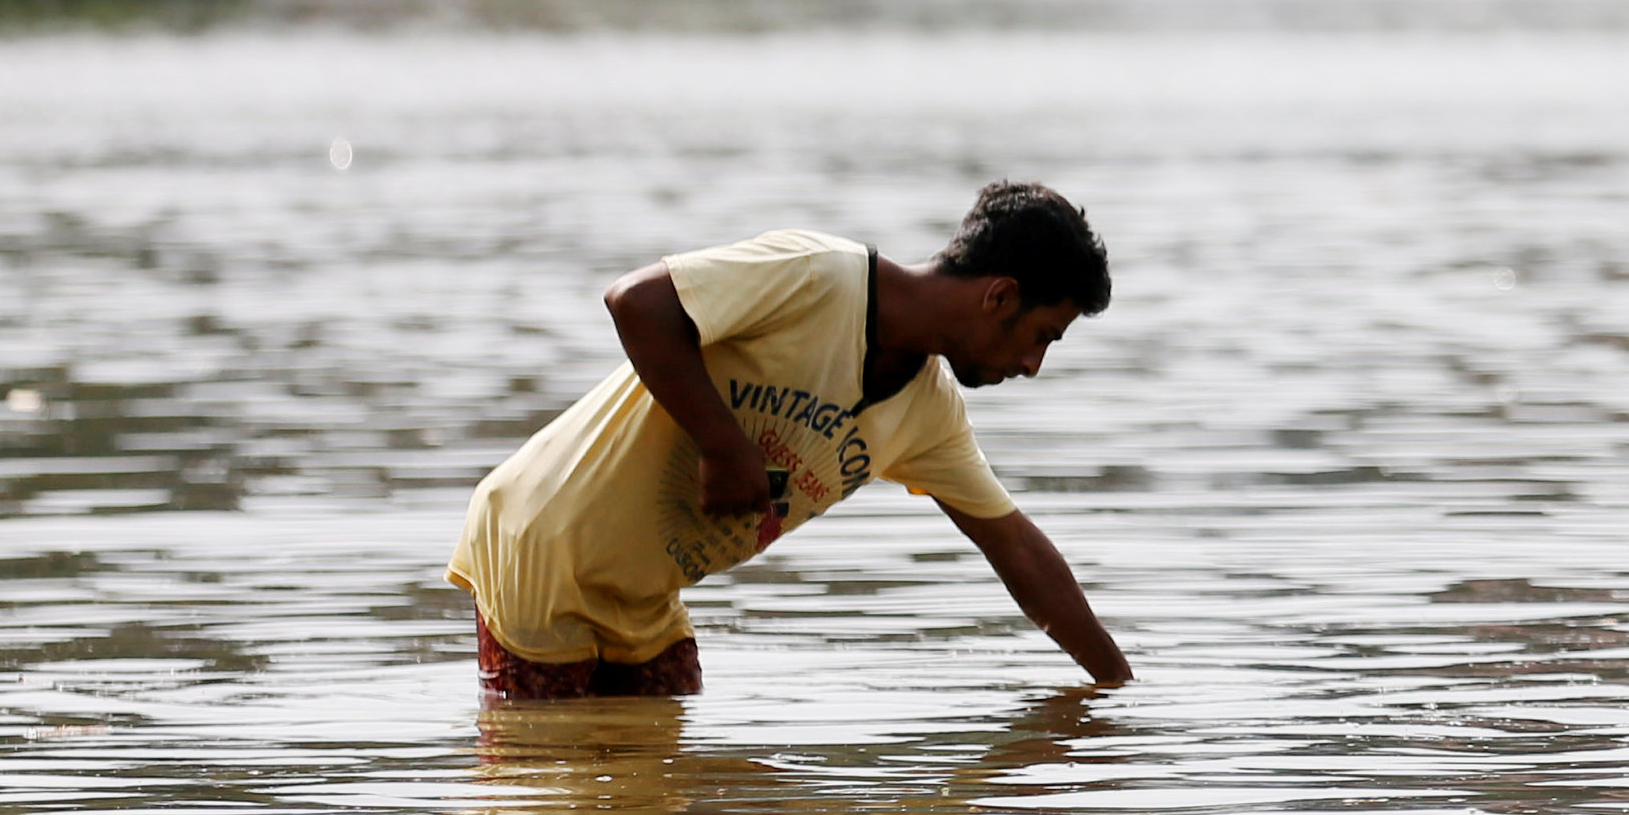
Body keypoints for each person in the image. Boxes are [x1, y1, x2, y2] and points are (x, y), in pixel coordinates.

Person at [448, 180, 1130, 700]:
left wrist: (1120, 695)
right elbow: (637, 301)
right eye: (1044, 335)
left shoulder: (927, 412)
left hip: (640, 592)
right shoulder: (819, 276)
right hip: (543, 542)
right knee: (552, 795)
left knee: (674, 810)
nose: (1034, 364)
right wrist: (723, 444)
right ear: (1000, 296)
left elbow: (1017, 550)